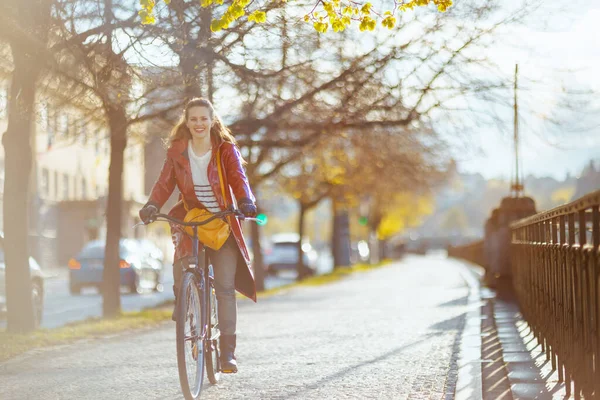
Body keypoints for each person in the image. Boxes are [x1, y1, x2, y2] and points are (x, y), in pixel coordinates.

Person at [139, 97, 257, 373]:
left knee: (225, 288)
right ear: (187, 122)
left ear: (212, 120)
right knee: (185, 268)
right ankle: (187, 306)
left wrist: (245, 200)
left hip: (221, 223)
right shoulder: (178, 151)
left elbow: (239, 178)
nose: (199, 124)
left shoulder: (225, 150)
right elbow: (164, 182)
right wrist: (152, 205)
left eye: (204, 118)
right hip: (193, 219)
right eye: (194, 119)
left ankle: (227, 354)